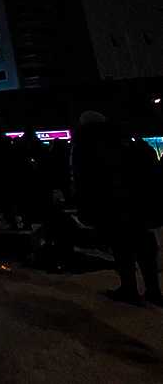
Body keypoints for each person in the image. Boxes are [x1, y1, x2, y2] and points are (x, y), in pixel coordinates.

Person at [73, 112, 163, 306]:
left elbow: (86, 182)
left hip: (111, 206)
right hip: (138, 204)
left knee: (122, 247)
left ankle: (129, 288)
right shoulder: (128, 142)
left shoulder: (87, 146)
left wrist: (87, 209)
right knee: (143, 247)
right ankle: (153, 290)